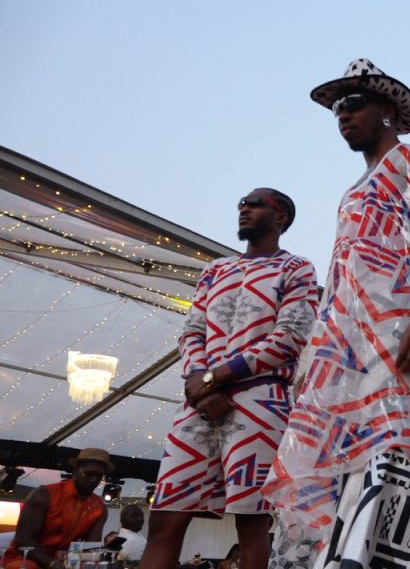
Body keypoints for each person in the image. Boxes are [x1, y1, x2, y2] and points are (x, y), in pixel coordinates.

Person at [263, 59, 410, 569]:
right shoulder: (352, 191)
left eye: (352, 103)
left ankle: (394, 558)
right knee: (346, 462)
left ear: (386, 111)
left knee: (392, 452)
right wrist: (316, 359)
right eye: (336, 108)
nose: (342, 115)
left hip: (400, 332)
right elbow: (342, 278)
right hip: (345, 347)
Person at [141, 188, 319, 569]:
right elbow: (191, 332)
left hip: (261, 402)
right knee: (165, 516)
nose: (244, 209)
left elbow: (290, 337)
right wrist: (199, 387)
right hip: (200, 404)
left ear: (280, 218)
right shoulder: (215, 269)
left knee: (252, 522)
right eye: (242, 203)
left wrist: (212, 377)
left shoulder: (296, 268)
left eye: (255, 204)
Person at [2, 448, 111, 569]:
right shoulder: (43, 495)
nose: (93, 480)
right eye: (89, 473)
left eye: (99, 476)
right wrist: (51, 563)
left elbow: (90, 549)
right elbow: (23, 540)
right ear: (75, 470)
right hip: (25, 559)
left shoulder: (99, 507)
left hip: (64, 562)